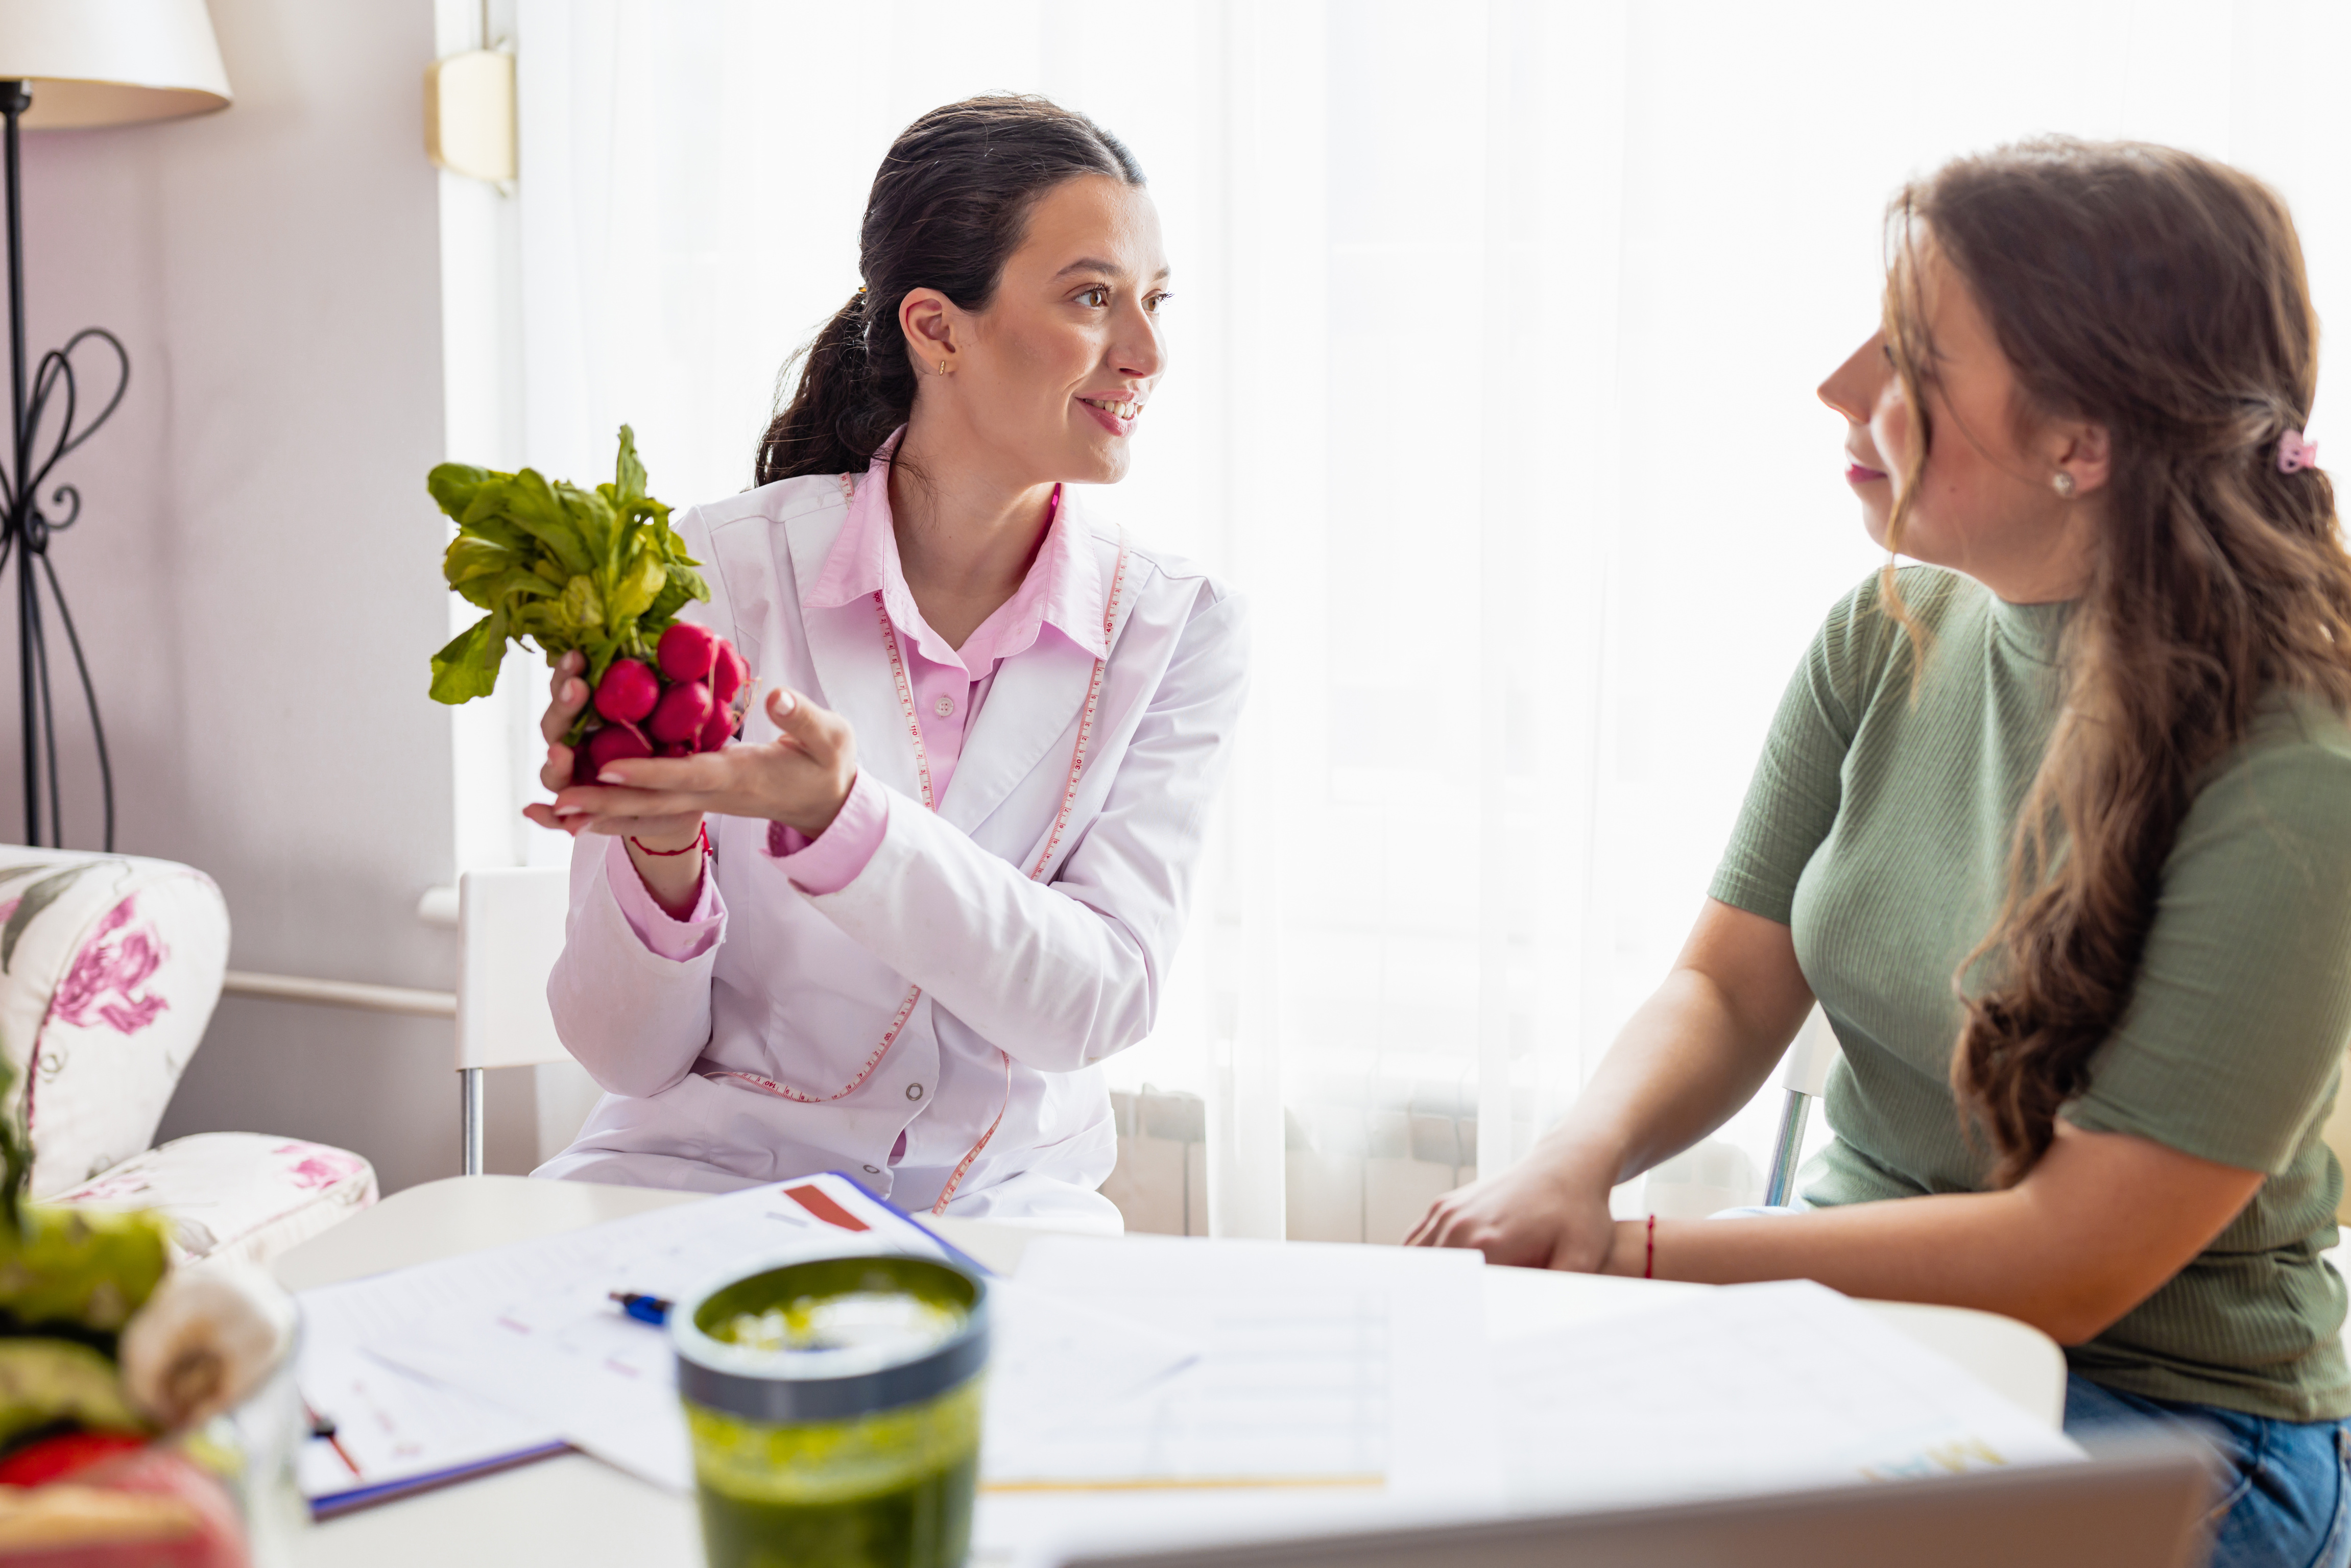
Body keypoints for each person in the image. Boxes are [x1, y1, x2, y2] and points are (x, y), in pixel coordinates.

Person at [1410, 138, 2351, 1566]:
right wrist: (1576, 1161)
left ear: (2078, 440)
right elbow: (1728, 988)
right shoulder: (1885, 628)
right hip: (1852, 1337)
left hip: (2165, 1414)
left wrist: (1640, 1256)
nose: (1841, 388)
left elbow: (2072, 1259)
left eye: (1911, 352)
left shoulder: (2302, 774)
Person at [522, 95, 1246, 1232]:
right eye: (1092, 298)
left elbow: (1097, 1001)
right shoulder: (706, 570)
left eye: (1152, 301)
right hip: (691, 1186)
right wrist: (658, 846)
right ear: (936, 327)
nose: (1147, 354)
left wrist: (843, 822)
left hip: (998, 1209)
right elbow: (627, 1054)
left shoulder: (1178, 626)